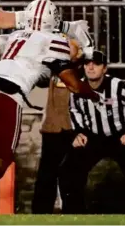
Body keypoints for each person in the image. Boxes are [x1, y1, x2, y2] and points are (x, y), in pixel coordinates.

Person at [0, 0, 102, 209]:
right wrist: (95, 95)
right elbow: (74, 85)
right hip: (8, 97)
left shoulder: (14, 36)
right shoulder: (55, 41)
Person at [60, 50, 125, 214]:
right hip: (93, 137)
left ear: (104, 69)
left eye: (96, 64)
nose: (91, 67)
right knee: (68, 170)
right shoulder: (78, 87)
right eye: (87, 63)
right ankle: (73, 214)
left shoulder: (118, 86)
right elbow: (74, 111)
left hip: (119, 136)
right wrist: (78, 133)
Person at [31, 39, 83, 214]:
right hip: (52, 128)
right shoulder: (54, 68)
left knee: (72, 174)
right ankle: (39, 214)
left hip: (73, 129)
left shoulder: (82, 70)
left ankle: (73, 213)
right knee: (46, 175)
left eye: (69, 48)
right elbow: (40, 80)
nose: (64, 50)